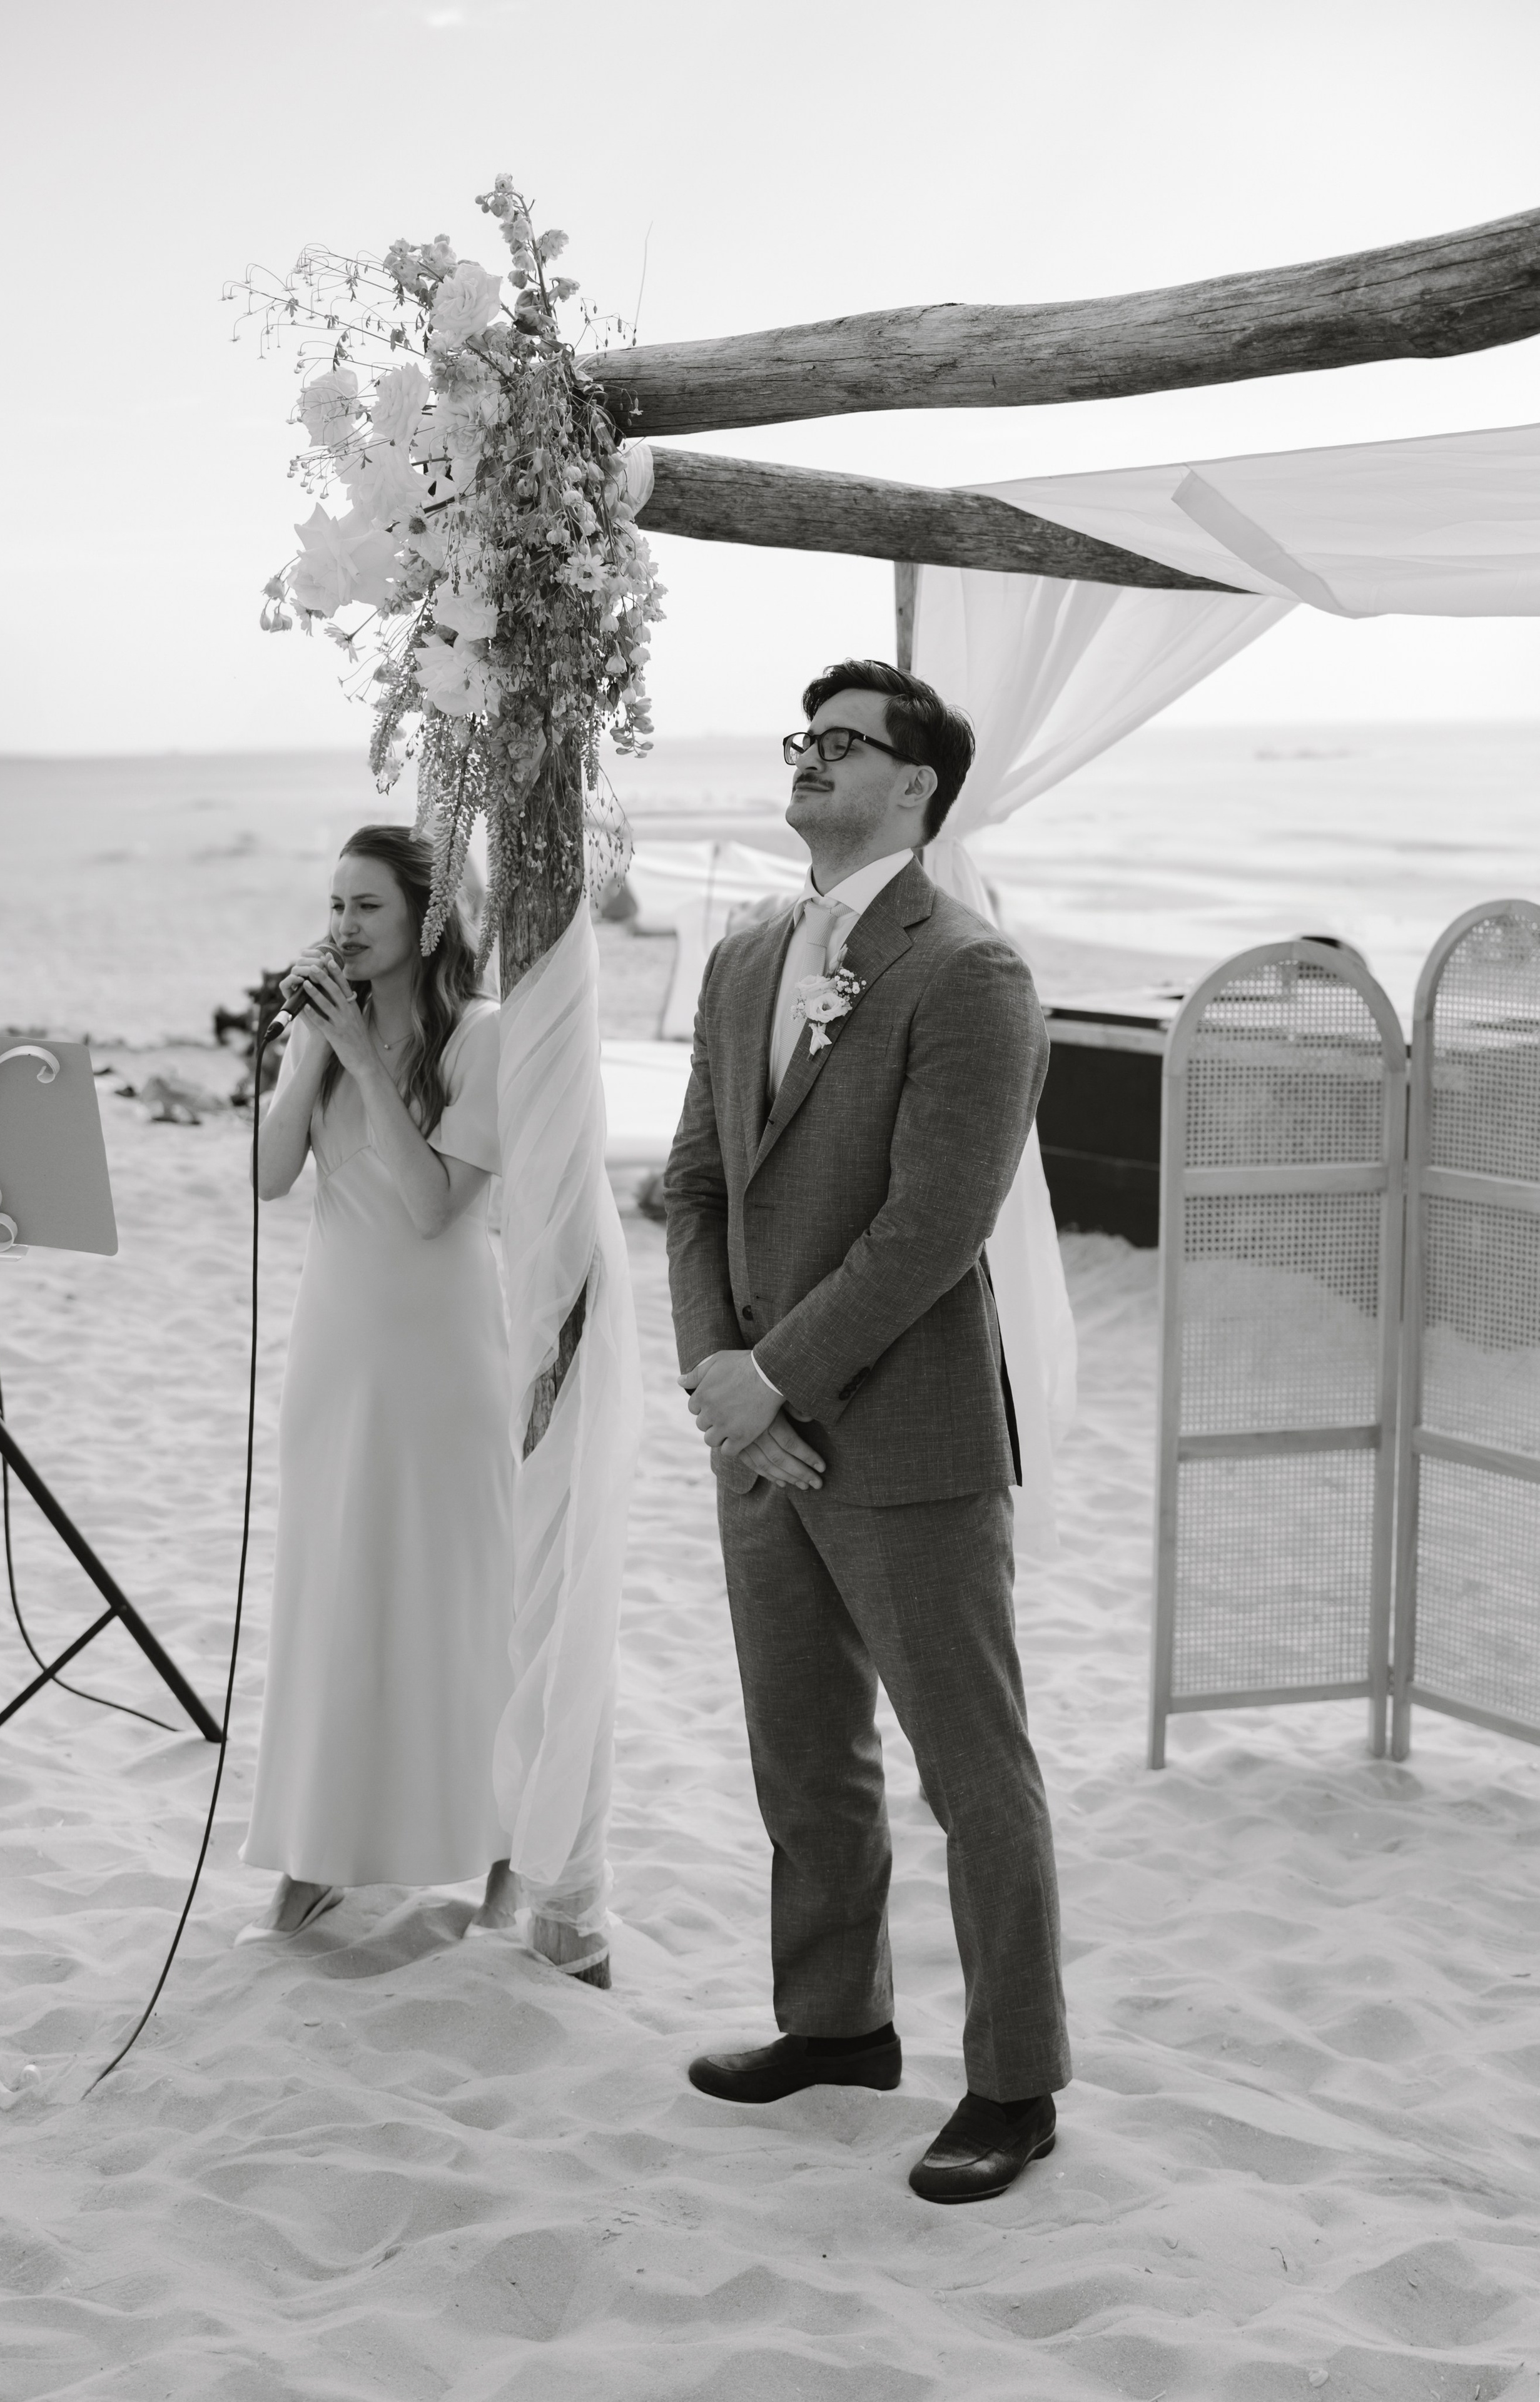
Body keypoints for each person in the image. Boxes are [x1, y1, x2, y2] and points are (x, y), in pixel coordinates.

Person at [662, 661, 1071, 2205]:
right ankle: (834, 2026)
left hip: (903, 1436)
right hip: (753, 1436)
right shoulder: (743, 954)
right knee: (803, 1753)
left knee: (973, 1772)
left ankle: (1013, 2083)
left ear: (915, 784)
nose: (808, 759)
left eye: (841, 744)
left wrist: (779, 1380)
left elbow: (931, 1226)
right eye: (801, 738)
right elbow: (695, 1185)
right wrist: (719, 1377)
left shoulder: (969, 972)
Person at [238, 824, 522, 1945]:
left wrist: (361, 1057)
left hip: (442, 1354)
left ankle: (502, 1847)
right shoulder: (322, 1029)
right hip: (336, 1346)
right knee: (333, 1590)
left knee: (453, 1599)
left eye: (368, 908)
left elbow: (430, 1204)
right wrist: (311, 1053)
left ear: (427, 924)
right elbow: (267, 1180)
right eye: (336, 904)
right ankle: (320, 1849)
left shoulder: (482, 1038)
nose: (342, 927)